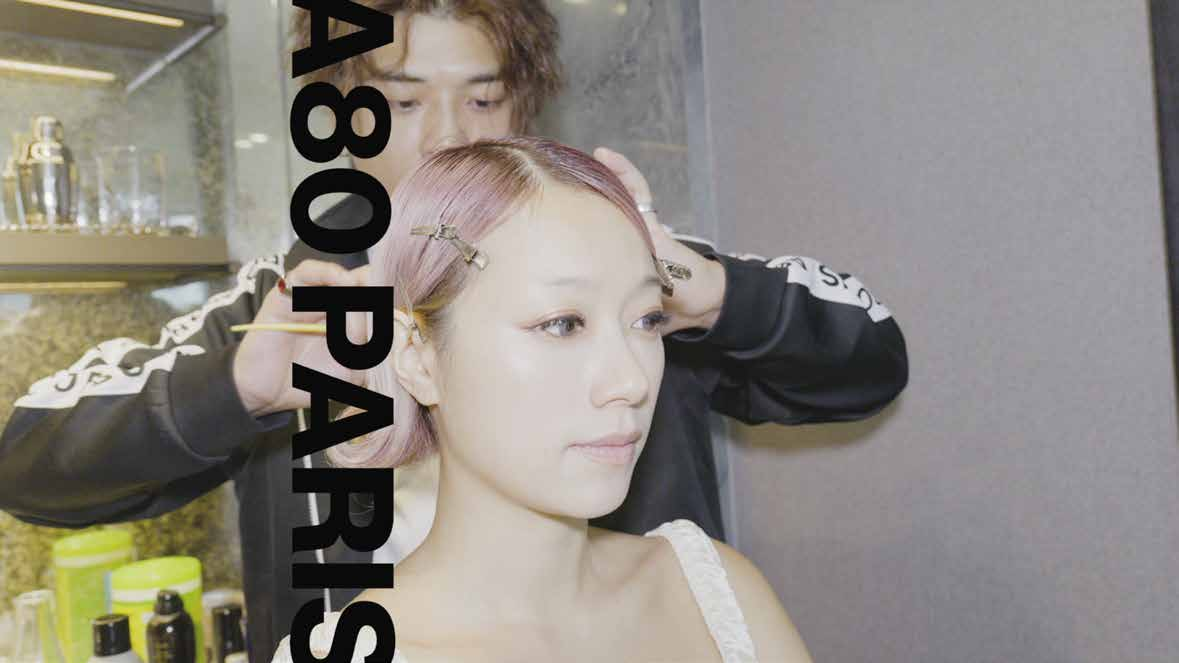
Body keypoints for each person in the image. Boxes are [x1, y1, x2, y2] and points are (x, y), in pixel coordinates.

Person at [0, 2, 906, 660]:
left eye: (482, 100)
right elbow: (28, 454)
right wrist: (237, 385)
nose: (445, 139)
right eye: (401, 103)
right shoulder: (288, 305)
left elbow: (869, 358)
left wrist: (695, 292)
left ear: (524, 105)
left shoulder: (625, 268)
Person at [272, 135, 812, 662]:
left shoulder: (716, 595)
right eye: (562, 324)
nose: (632, 381)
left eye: (647, 320)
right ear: (416, 357)